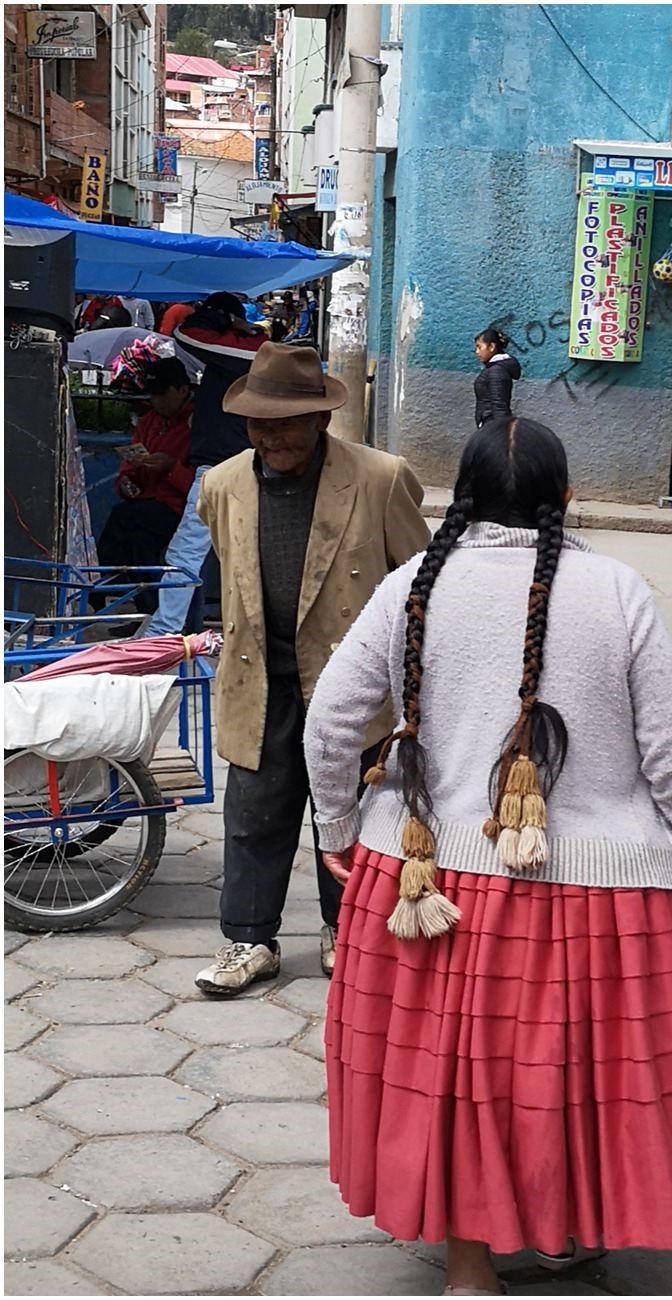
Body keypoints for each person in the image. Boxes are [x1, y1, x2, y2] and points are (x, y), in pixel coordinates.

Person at [302, 415, 672, 1293]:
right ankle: (563, 1228)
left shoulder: (411, 589)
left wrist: (340, 831)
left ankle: (470, 1268)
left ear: (457, 501)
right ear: (567, 500)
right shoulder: (617, 591)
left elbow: (330, 725)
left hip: (426, 883)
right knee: (570, 1074)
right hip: (602, 896)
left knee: (453, 1078)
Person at [190, 343, 430, 997]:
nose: (270, 437)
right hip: (260, 678)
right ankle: (249, 940)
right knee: (254, 812)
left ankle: (342, 930)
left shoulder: (381, 478)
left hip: (350, 686)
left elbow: (421, 584)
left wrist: (415, 688)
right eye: (257, 424)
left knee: (348, 809)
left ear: (320, 420)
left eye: (283, 423)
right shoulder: (223, 485)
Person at [147, 293, 271, 638]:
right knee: (236, 552)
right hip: (233, 464)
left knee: (188, 552)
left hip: (228, 466)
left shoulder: (246, 349)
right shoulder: (234, 352)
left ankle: (163, 632)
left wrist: (222, 321)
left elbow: (187, 333)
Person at [97, 358, 195, 614]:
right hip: (144, 507)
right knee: (139, 544)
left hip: (178, 509)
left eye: (163, 394)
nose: (157, 401)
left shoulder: (198, 426)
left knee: (123, 518)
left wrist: (171, 468)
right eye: (153, 395)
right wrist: (126, 484)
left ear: (183, 390)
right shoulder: (148, 422)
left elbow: (200, 484)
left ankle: (98, 589)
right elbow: (128, 470)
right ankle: (148, 613)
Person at [473, 326, 520, 429]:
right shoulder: (495, 368)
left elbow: (499, 406)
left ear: (491, 347)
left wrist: (499, 435)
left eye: (479, 347)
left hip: (492, 427)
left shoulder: (496, 371)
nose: (477, 352)